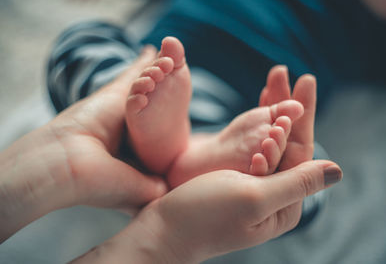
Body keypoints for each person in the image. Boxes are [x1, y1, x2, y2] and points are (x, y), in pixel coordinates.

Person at [0, 49, 343, 263]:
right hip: (148, 85)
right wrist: (165, 242)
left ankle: (188, 152)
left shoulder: (364, 24)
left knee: (297, 164)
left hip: (230, 109)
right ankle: (189, 158)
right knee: (83, 44)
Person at [126, 36, 305, 187]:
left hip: (194, 36)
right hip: (270, 62)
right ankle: (197, 152)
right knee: (286, 151)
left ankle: (191, 152)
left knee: (122, 65)